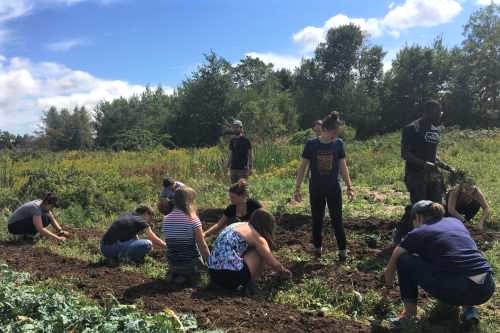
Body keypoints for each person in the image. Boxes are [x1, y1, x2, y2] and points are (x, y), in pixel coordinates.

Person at [384, 201, 495, 327]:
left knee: (404, 260)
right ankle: (469, 309)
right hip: (487, 287)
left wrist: (387, 288)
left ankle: (409, 314)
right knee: (462, 261)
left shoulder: (418, 233)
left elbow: (392, 264)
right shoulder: (455, 222)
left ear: (418, 217)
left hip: (458, 289)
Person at [293, 111, 354, 261]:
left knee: (337, 219)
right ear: (325, 130)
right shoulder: (311, 145)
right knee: (317, 219)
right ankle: (317, 248)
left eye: (336, 133)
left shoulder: (338, 144)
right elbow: (303, 167)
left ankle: (342, 250)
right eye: (334, 132)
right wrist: (297, 188)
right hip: (316, 188)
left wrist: (349, 186)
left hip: (333, 188)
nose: (335, 135)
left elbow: (343, 166)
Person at [208, 209, 291, 293]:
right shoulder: (257, 238)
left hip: (213, 273)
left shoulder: (237, 225)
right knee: (259, 252)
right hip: (232, 275)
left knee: (243, 250)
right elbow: (273, 264)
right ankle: (252, 286)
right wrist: (284, 271)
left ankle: (222, 285)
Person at [401, 100, 454, 204]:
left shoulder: (434, 130)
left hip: (433, 175)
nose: (440, 116)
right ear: (431, 112)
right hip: (416, 175)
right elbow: (405, 153)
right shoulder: (412, 128)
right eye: (439, 113)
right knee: (421, 207)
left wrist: (447, 167)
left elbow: (432, 155)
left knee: (437, 207)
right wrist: (424, 164)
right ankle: (410, 219)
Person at [162, 187, 210, 285]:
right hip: (189, 263)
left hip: (172, 263)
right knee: (196, 247)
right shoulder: (193, 219)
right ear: (189, 202)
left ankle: (175, 273)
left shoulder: (166, 219)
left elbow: (169, 242)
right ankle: (188, 275)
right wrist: (211, 263)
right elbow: (202, 245)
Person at [101, 205, 166, 263]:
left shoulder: (127, 216)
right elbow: (153, 238)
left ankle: (116, 258)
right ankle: (124, 259)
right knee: (148, 243)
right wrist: (167, 246)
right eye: (150, 217)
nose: (149, 221)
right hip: (113, 247)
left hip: (104, 248)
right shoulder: (140, 220)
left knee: (139, 243)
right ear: (146, 213)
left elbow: (134, 238)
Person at [227, 120, 253, 184]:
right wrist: (227, 166)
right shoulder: (232, 140)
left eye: (237, 127)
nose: (235, 129)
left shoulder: (246, 140)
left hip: (243, 169)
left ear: (241, 128)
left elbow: (250, 154)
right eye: (234, 127)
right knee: (233, 189)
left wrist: (250, 167)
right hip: (233, 169)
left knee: (243, 190)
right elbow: (231, 154)